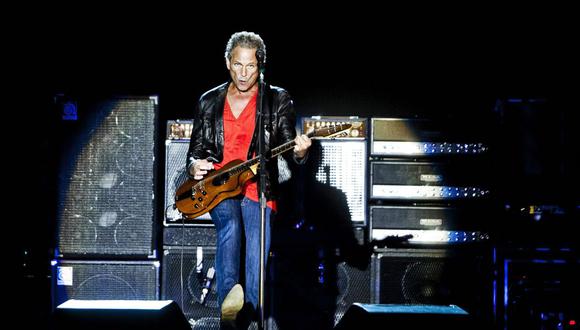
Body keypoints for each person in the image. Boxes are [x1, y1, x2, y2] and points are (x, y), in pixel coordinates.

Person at [186, 31, 311, 327]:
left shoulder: (276, 99)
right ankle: (229, 308)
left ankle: (251, 318)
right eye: (238, 65)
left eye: (250, 67)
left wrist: (302, 153)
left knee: (257, 252)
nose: (243, 74)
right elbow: (195, 151)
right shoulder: (209, 101)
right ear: (228, 62)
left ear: (261, 66)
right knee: (229, 226)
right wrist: (194, 167)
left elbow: (288, 146)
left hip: (259, 187)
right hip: (221, 186)